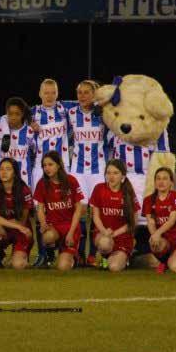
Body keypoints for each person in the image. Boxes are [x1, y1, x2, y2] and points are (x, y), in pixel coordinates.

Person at [29, 79, 73, 266]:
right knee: (40, 208)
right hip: (40, 168)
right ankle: (44, 254)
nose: (49, 96)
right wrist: (31, 129)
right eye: (45, 92)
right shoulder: (31, 113)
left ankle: (71, 249)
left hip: (64, 168)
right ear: (40, 94)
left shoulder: (66, 110)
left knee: (67, 207)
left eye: (52, 92)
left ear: (57, 94)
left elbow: (90, 102)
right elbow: (12, 123)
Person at [66, 79, 109, 265]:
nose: (82, 96)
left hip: (99, 169)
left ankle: (93, 254)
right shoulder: (71, 113)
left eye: (87, 92)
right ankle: (79, 253)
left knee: (96, 212)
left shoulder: (103, 115)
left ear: (95, 94)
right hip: (77, 170)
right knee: (80, 211)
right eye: (80, 92)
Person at [33, 152, 85, 271]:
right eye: (44, 165)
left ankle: (73, 256)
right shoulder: (42, 184)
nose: (47, 168)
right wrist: (43, 224)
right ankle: (50, 255)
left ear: (59, 165)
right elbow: (40, 208)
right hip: (54, 227)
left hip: (70, 226)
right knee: (47, 237)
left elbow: (79, 209)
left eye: (50, 164)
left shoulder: (71, 180)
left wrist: (71, 232)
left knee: (62, 267)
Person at [89, 159, 139, 272]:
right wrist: (104, 232)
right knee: (104, 243)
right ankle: (104, 256)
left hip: (121, 236)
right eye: (108, 173)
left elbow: (133, 222)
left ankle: (126, 257)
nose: (111, 176)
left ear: (123, 176)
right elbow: (95, 216)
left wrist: (114, 234)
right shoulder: (99, 188)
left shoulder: (128, 192)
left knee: (114, 268)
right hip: (103, 234)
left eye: (115, 173)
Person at [0, 158, 34, 269]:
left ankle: (18, 254)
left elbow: (23, 220)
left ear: (15, 172)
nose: (4, 172)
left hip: (21, 232)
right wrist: (13, 223)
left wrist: (18, 226)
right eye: (1, 169)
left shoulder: (24, 190)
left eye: (8, 169)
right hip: (7, 229)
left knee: (18, 265)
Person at [142, 167, 176, 274]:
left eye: (165, 179)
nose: (161, 182)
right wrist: (154, 236)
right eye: (158, 179)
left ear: (171, 182)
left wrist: (156, 233)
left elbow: (171, 221)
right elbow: (151, 221)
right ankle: (162, 261)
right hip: (161, 240)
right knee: (156, 244)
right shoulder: (148, 200)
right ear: (155, 181)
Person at [0, 97, 36, 186]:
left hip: (23, 176)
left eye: (17, 114)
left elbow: (35, 152)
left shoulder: (30, 131)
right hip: (2, 176)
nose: (13, 117)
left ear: (22, 114)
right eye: (10, 114)